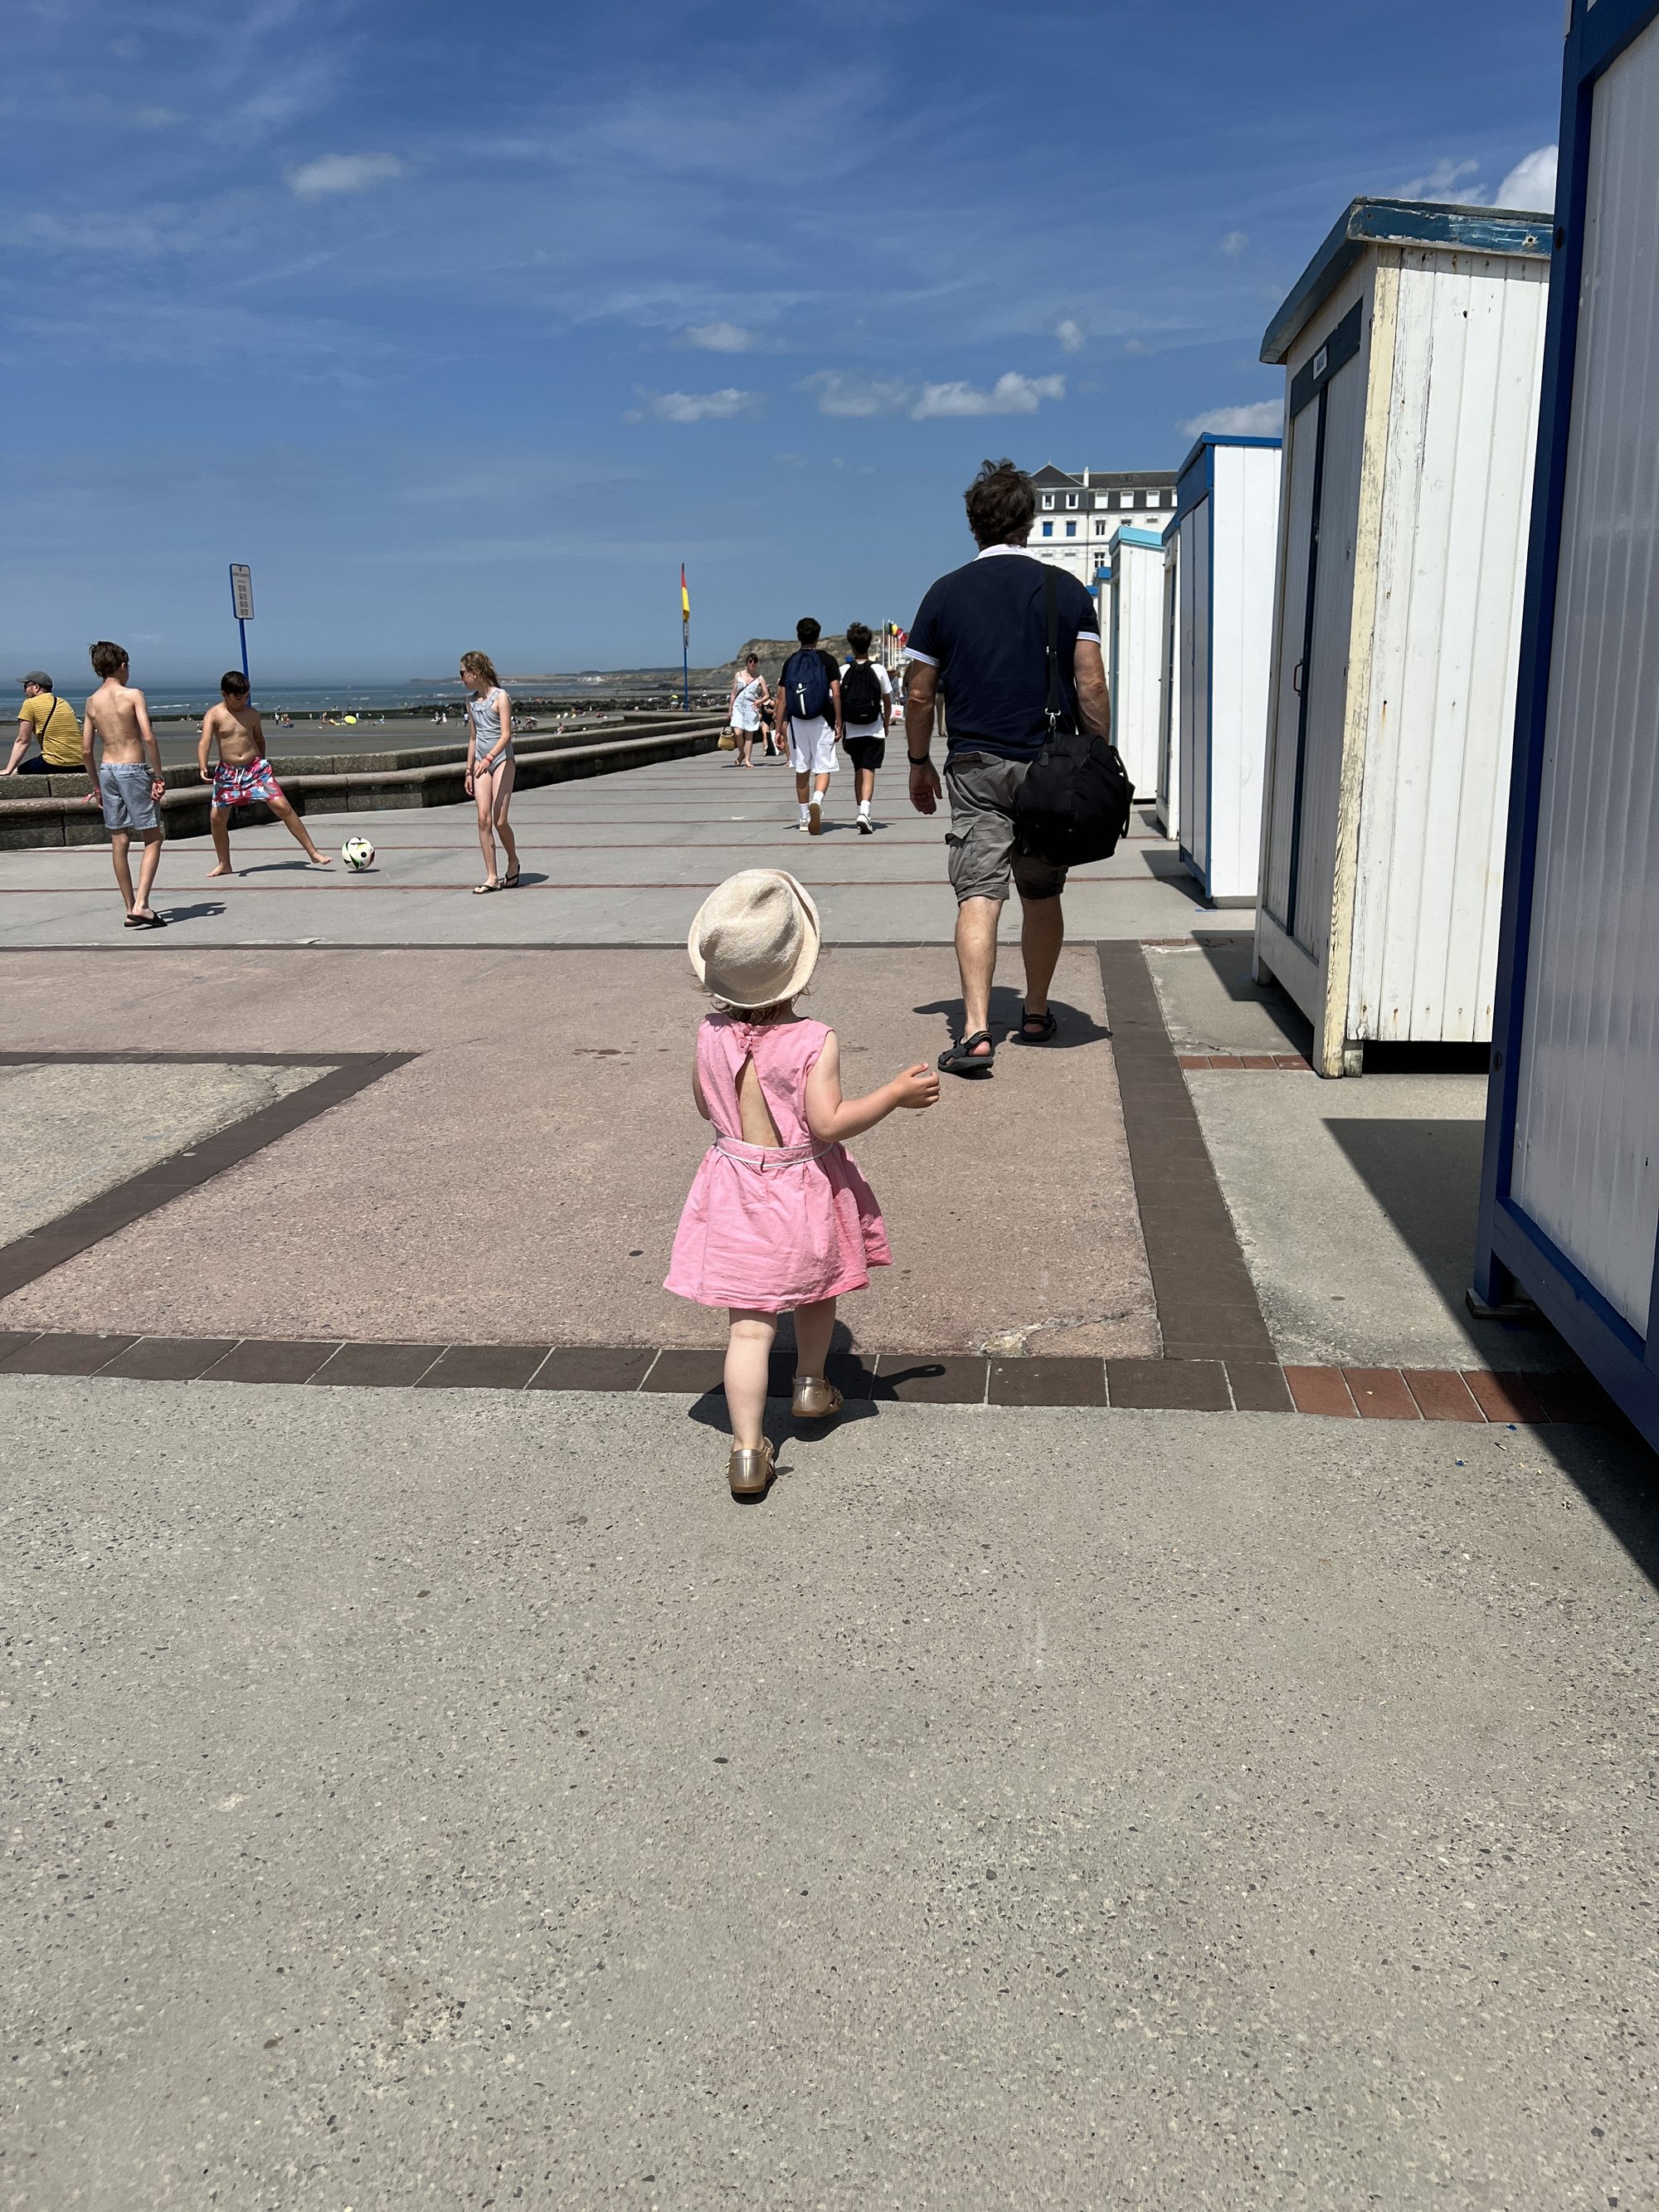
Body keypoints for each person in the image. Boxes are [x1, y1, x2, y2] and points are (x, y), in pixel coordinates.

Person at [665, 869, 939, 1500]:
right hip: (801, 1184)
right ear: (798, 966)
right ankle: (812, 1385)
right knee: (817, 1293)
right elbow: (829, 1122)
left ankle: (745, 1450)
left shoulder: (709, 1035)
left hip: (734, 1184)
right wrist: (894, 1095)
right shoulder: (813, 1039)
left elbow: (705, 1106)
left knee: (750, 1327)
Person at [905, 458, 1111, 1077]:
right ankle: (1038, 1011)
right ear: (1029, 520)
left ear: (973, 523)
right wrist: (1097, 753)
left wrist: (919, 763)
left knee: (979, 894)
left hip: (975, 764)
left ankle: (974, 1030)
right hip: (1049, 768)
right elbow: (1091, 684)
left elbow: (918, 692)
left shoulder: (943, 594)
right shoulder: (1065, 590)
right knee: (1041, 891)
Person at [198, 670, 333, 877]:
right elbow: (205, 741)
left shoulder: (252, 714)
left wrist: (262, 761)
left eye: (246, 696)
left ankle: (313, 853)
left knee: (283, 806)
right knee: (217, 817)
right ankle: (224, 863)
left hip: (255, 769)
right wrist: (202, 765)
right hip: (228, 773)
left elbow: (259, 739)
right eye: (238, 697)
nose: (243, 701)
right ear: (225, 694)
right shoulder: (214, 714)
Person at [82, 641, 168, 928]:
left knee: (119, 839)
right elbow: (149, 737)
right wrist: (158, 776)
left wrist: (95, 785)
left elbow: (85, 750)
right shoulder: (133, 695)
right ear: (122, 666)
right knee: (153, 837)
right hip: (132, 768)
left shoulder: (92, 701)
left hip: (107, 770)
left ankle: (129, 907)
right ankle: (142, 904)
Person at [774, 617, 842, 835]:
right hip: (822, 719)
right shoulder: (828, 660)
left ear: (798, 636)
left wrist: (778, 728)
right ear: (818, 636)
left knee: (802, 768)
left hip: (796, 722)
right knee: (823, 767)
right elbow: (837, 693)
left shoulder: (790, 662)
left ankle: (804, 817)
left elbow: (782, 699)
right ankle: (817, 799)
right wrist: (839, 723)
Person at [460, 650, 520, 892]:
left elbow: (506, 735)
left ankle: (513, 860)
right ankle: (492, 877)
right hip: (480, 763)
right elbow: (473, 737)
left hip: (502, 759)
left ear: (475, 673)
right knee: (483, 819)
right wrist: (468, 769)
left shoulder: (501, 697)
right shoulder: (471, 702)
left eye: (463, 673)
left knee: (499, 819)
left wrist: (490, 757)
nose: (461, 678)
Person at [839, 623, 893, 835]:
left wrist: (840, 728)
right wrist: (886, 722)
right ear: (869, 644)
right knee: (869, 769)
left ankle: (861, 810)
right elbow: (887, 700)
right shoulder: (878, 669)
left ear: (851, 646)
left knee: (858, 769)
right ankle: (865, 810)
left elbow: (839, 701)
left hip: (851, 729)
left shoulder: (843, 671)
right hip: (874, 728)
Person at [3, 672, 90, 785]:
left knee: (15, 774)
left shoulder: (30, 704)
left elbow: (23, 741)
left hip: (54, 762)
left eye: (25, 686)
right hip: (81, 763)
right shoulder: (63, 702)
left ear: (36, 687)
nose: (24, 691)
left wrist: (8, 769)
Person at [727, 654, 771, 769]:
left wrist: (758, 702)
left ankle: (747, 759)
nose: (753, 664)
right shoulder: (739, 675)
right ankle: (741, 752)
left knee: (749, 734)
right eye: (751, 661)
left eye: (755, 662)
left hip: (750, 707)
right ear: (747, 662)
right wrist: (730, 710)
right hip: (738, 707)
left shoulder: (759, 678)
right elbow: (733, 693)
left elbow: (767, 695)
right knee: (738, 732)